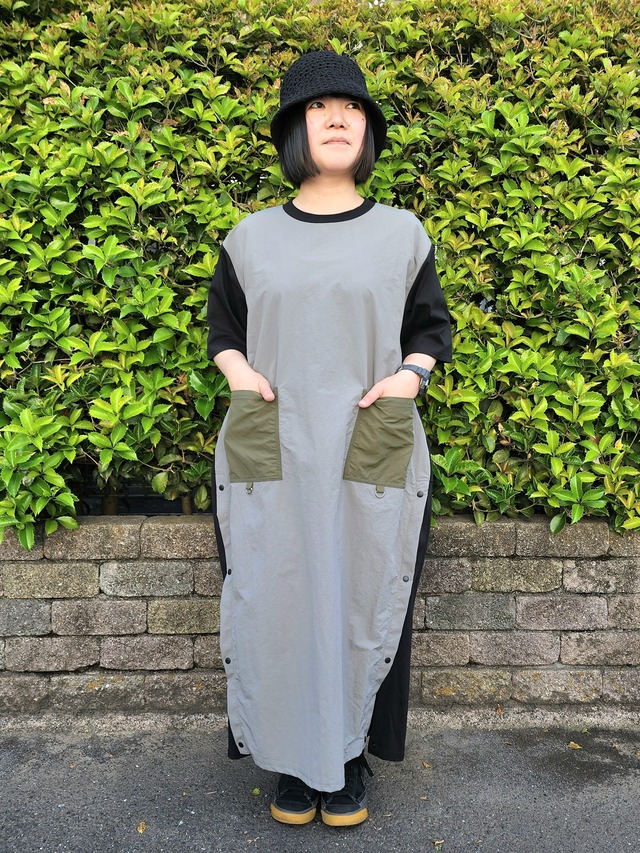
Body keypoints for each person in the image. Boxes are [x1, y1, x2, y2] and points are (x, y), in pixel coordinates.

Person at [207, 50, 452, 827]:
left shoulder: (402, 235)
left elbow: (431, 328)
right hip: (272, 441)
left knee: (363, 592)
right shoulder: (250, 239)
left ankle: (347, 756)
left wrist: (409, 377)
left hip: (367, 439)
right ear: (294, 131)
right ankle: (289, 757)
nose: (338, 117)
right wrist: (240, 374)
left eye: (351, 107)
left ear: (368, 131)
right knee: (275, 595)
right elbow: (223, 331)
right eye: (318, 107)